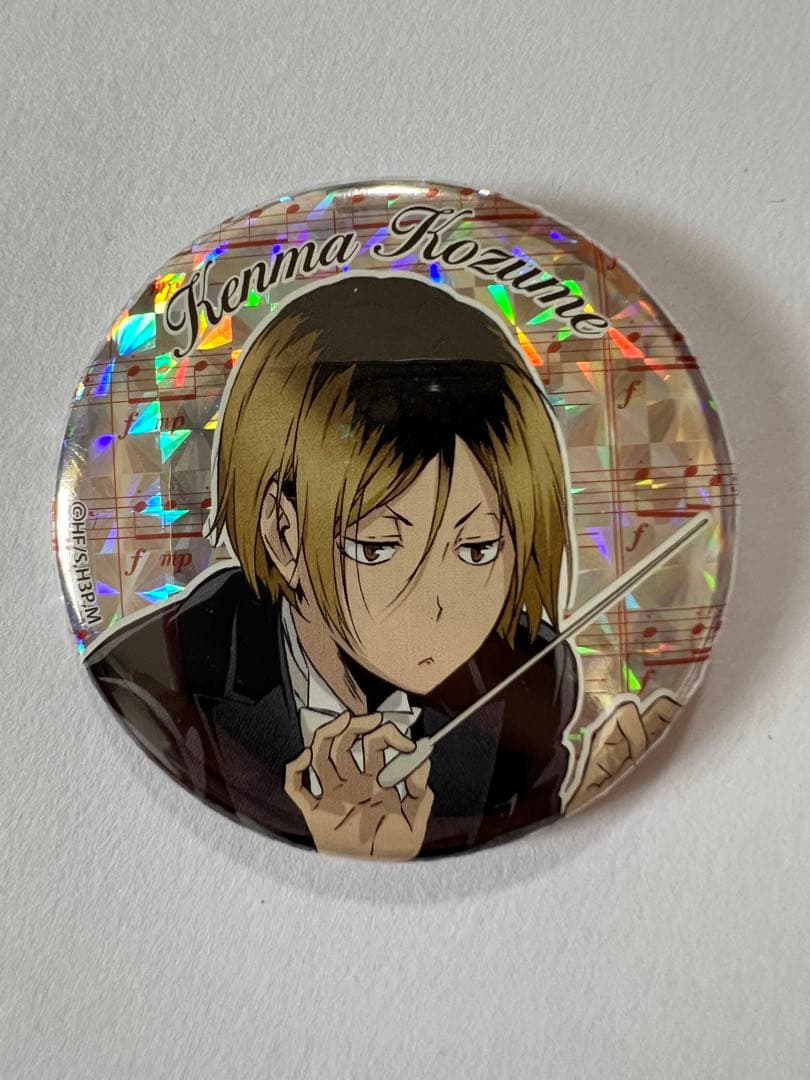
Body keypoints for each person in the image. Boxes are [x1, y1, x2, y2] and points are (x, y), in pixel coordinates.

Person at [87, 274, 584, 858]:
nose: (439, 603)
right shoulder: (154, 686)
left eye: (477, 548)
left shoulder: (534, 677)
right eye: (378, 547)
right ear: (284, 533)